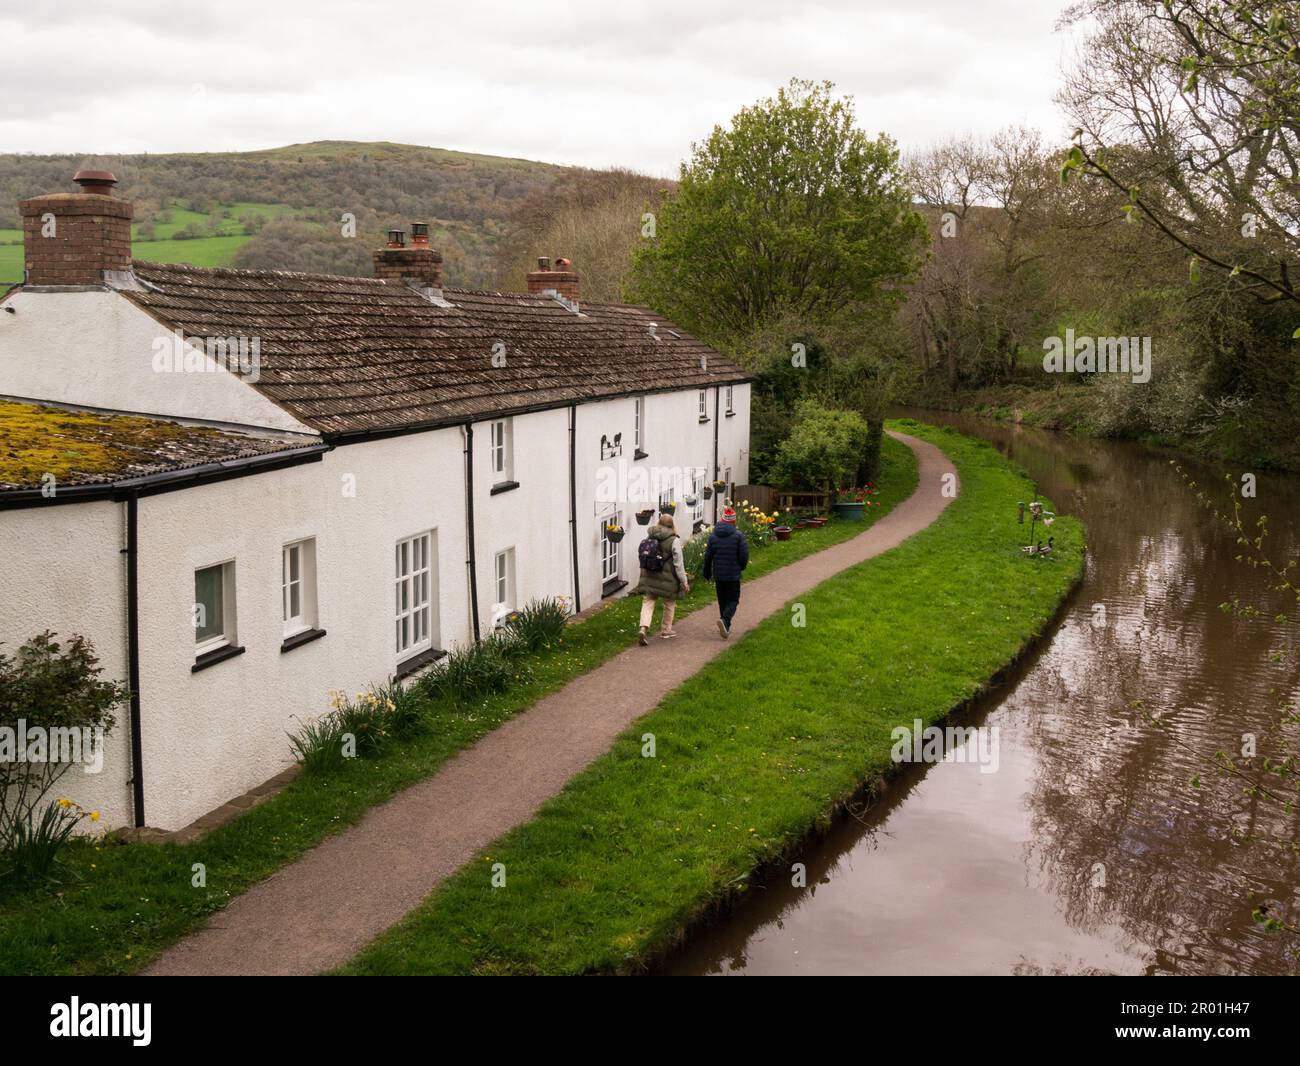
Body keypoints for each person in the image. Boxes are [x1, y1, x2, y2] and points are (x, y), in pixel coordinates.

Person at [635, 513, 690, 645]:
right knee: (669, 603)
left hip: (650, 575)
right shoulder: (674, 540)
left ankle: (643, 628)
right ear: (672, 525)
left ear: (659, 523)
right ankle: (666, 630)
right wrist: (684, 581)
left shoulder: (650, 535)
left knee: (648, 601)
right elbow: (678, 564)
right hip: (668, 578)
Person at [702, 506, 749, 638]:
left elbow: (708, 557)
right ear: (733, 522)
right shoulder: (739, 536)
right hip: (733, 575)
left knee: (722, 600)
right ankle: (725, 620)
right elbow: (743, 556)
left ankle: (725, 626)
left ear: (722, 520)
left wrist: (706, 573)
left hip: (719, 575)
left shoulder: (713, 537)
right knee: (733, 600)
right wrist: (742, 567)